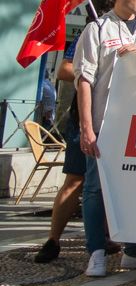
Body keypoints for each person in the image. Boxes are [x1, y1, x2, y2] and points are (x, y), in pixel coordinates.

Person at [75, 0, 136, 278]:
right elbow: (84, 80)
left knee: (135, 187)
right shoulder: (97, 29)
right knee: (96, 189)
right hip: (104, 122)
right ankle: (96, 252)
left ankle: (134, 251)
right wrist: (87, 128)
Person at [33, 35, 88, 264]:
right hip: (84, 119)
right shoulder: (94, 29)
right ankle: (53, 240)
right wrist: (94, 73)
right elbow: (63, 70)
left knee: (111, 185)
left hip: (121, 119)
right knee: (75, 179)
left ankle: (106, 237)